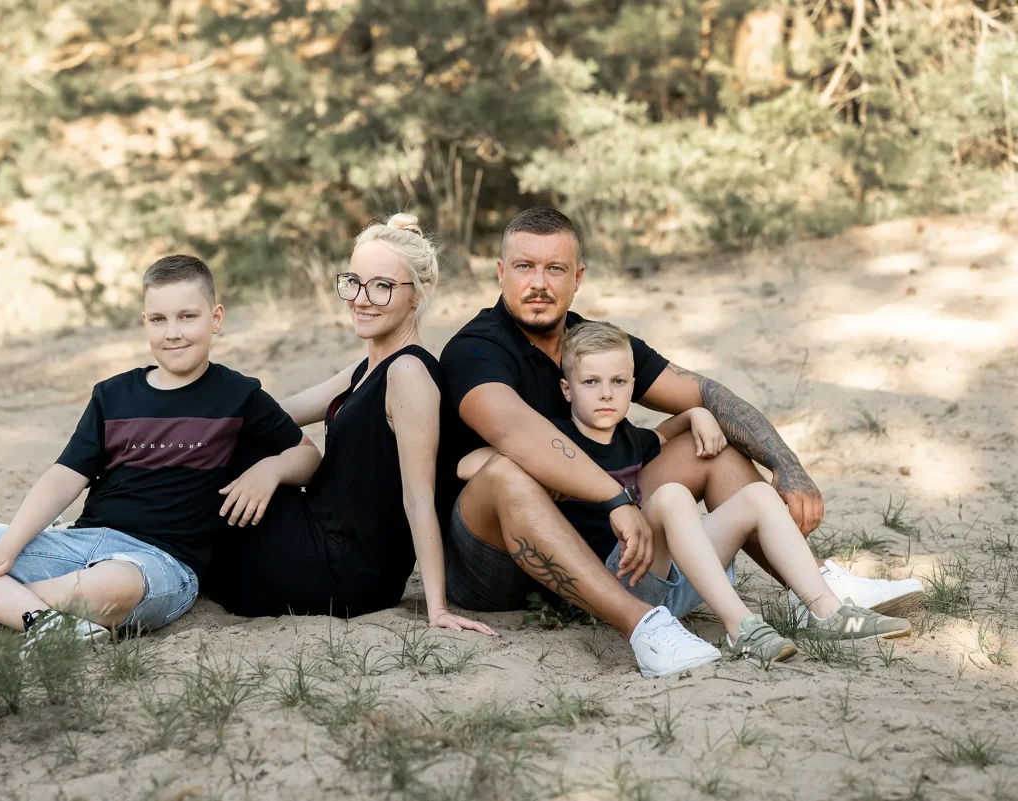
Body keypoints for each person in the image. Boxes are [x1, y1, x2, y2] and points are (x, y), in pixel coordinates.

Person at [437, 206, 923, 678]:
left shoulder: (595, 346)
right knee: (507, 472)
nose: (539, 283)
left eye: (555, 269)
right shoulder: (475, 348)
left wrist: (787, 465)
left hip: (604, 548)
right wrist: (615, 498)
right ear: (501, 273)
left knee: (707, 443)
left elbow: (703, 393)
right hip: (493, 566)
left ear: (578, 277)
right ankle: (644, 625)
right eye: (524, 267)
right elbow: (514, 433)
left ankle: (816, 587)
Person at [460, 322, 912, 674]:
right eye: (591, 382)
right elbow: (470, 464)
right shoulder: (555, 440)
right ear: (567, 389)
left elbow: (663, 434)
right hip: (616, 580)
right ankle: (741, 628)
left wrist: (696, 413)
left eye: (618, 382)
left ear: (633, 386)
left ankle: (826, 610)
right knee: (672, 495)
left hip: (674, 581)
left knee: (757, 495)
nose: (606, 393)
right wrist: (542, 474)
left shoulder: (632, 439)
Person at [0, 255, 320, 644]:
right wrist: (8, 546)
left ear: (216, 319)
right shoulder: (112, 395)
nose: (172, 332)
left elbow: (307, 455)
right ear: (145, 323)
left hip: (160, 565)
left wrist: (270, 470)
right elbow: (63, 477)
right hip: (82, 543)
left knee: (114, 586)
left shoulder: (239, 395)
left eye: (187, 316)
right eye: (158, 319)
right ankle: (34, 617)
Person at [202, 214, 495, 637]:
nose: (361, 299)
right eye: (354, 282)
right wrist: (201, 413)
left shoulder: (408, 373)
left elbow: (419, 498)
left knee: (225, 464)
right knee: (228, 437)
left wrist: (437, 609)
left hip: (344, 569)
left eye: (382, 286)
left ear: (420, 293)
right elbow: (276, 415)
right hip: (317, 536)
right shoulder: (368, 367)